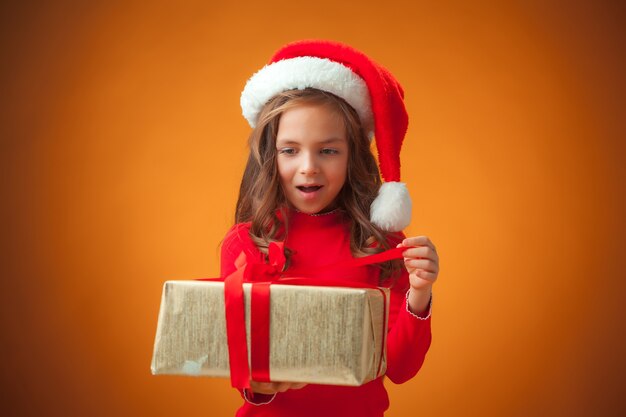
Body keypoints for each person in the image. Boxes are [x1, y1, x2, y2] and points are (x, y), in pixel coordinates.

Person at [220, 40, 440, 417]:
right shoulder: (246, 242)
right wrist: (258, 386)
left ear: (352, 155)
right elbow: (245, 373)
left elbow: (401, 369)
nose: (309, 167)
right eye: (290, 150)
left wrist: (419, 295)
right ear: (270, 155)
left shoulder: (381, 244)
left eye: (328, 150)